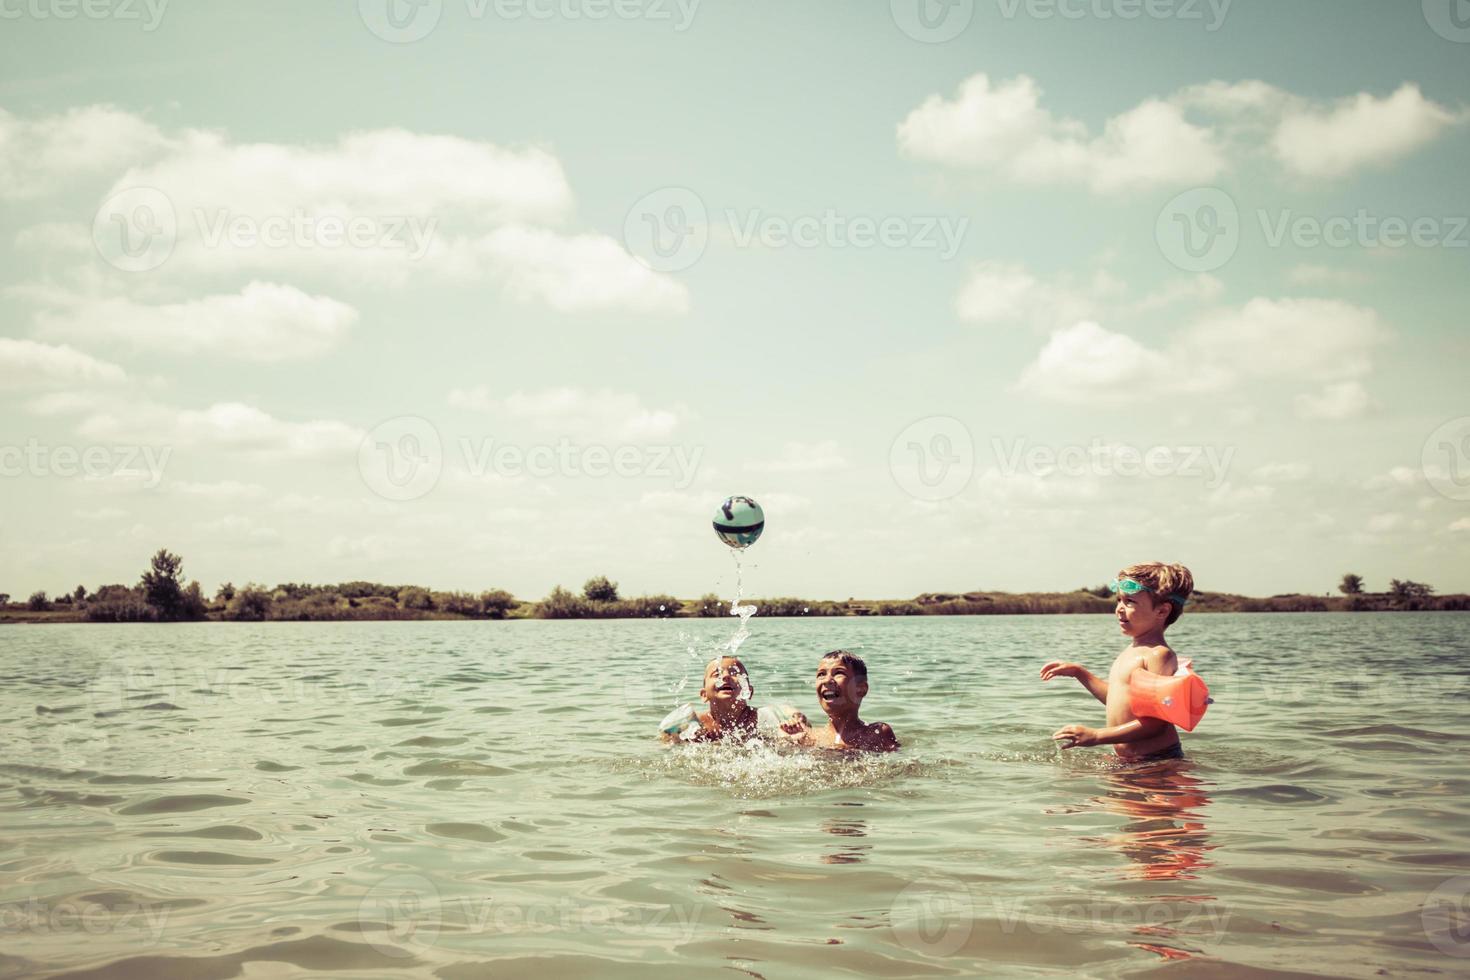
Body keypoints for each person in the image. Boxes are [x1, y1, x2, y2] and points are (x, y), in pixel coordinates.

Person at [1041, 561, 1195, 762]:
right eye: (1119, 600)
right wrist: (1080, 672)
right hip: (1131, 759)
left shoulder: (1158, 655)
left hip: (1157, 759)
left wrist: (1097, 736)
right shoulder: (1130, 652)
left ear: (1162, 611)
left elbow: (1156, 722)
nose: (1119, 609)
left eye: (1130, 601)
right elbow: (1118, 701)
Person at [658, 656, 798, 742]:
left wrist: (795, 718)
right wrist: (671, 737)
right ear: (704, 695)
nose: (725, 677)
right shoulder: (695, 726)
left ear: (749, 691)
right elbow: (665, 745)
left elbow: (787, 712)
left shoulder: (766, 717)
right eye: (716, 674)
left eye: (735, 673)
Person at [785, 650, 898, 752]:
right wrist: (790, 738)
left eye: (839, 673)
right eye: (821, 674)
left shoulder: (876, 733)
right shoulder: (810, 736)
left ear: (861, 689)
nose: (827, 680)